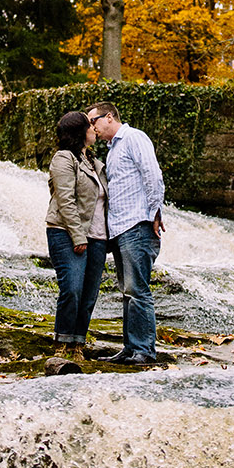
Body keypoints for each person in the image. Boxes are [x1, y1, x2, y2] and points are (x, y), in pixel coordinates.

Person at [86, 100, 165, 364]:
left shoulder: (133, 137)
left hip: (137, 224)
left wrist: (154, 213)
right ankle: (130, 348)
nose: (92, 127)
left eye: (93, 121)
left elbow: (152, 175)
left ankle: (144, 350)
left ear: (109, 117)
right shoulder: (112, 149)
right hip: (120, 229)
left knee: (137, 289)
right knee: (128, 291)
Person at [45, 110, 109, 359]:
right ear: (78, 131)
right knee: (71, 288)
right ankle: (62, 343)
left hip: (97, 238)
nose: (94, 128)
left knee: (89, 293)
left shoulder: (93, 162)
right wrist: (78, 235)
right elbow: (65, 199)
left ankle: (77, 345)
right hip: (66, 233)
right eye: (89, 124)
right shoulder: (64, 158)